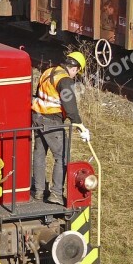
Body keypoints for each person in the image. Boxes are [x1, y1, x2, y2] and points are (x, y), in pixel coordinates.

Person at [31, 52, 91, 204]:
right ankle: (56, 194)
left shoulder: (48, 72)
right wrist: (81, 127)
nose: (75, 75)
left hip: (37, 117)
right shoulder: (65, 80)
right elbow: (70, 108)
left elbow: (38, 94)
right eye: (77, 72)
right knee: (62, 157)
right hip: (52, 121)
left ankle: (38, 191)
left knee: (39, 154)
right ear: (75, 68)